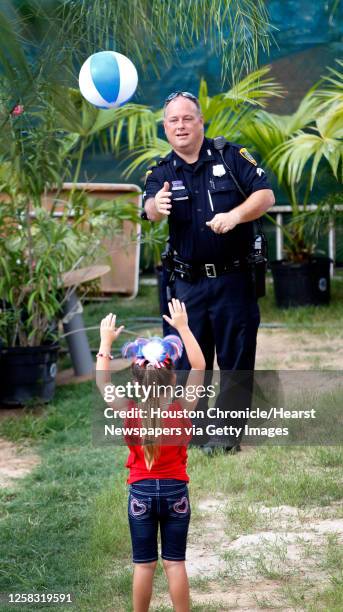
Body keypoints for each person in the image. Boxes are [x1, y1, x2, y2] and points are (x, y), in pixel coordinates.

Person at [143, 91, 275, 450]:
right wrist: (157, 204)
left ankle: (226, 435)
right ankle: (195, 429)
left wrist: (235, 215)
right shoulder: (161, 171)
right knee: (188, 362)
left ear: (201, 122)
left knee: (236, 358)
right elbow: (149, 208)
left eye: (188, 118)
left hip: (233, 279)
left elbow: (265, 195)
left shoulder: (231, 157)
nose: (181, 125)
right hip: (186, 285)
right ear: (165, 128)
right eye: (173, 120)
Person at [96, 299, 205, 612]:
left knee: (144, 566)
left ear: (135, 382)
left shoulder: (129, 411)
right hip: (176, 493)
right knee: (174, 563)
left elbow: (103, 382)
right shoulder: (182, 408)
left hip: (140, 493)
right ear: (172, 380)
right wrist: (182, 327)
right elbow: (199, 367)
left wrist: (105, 343)